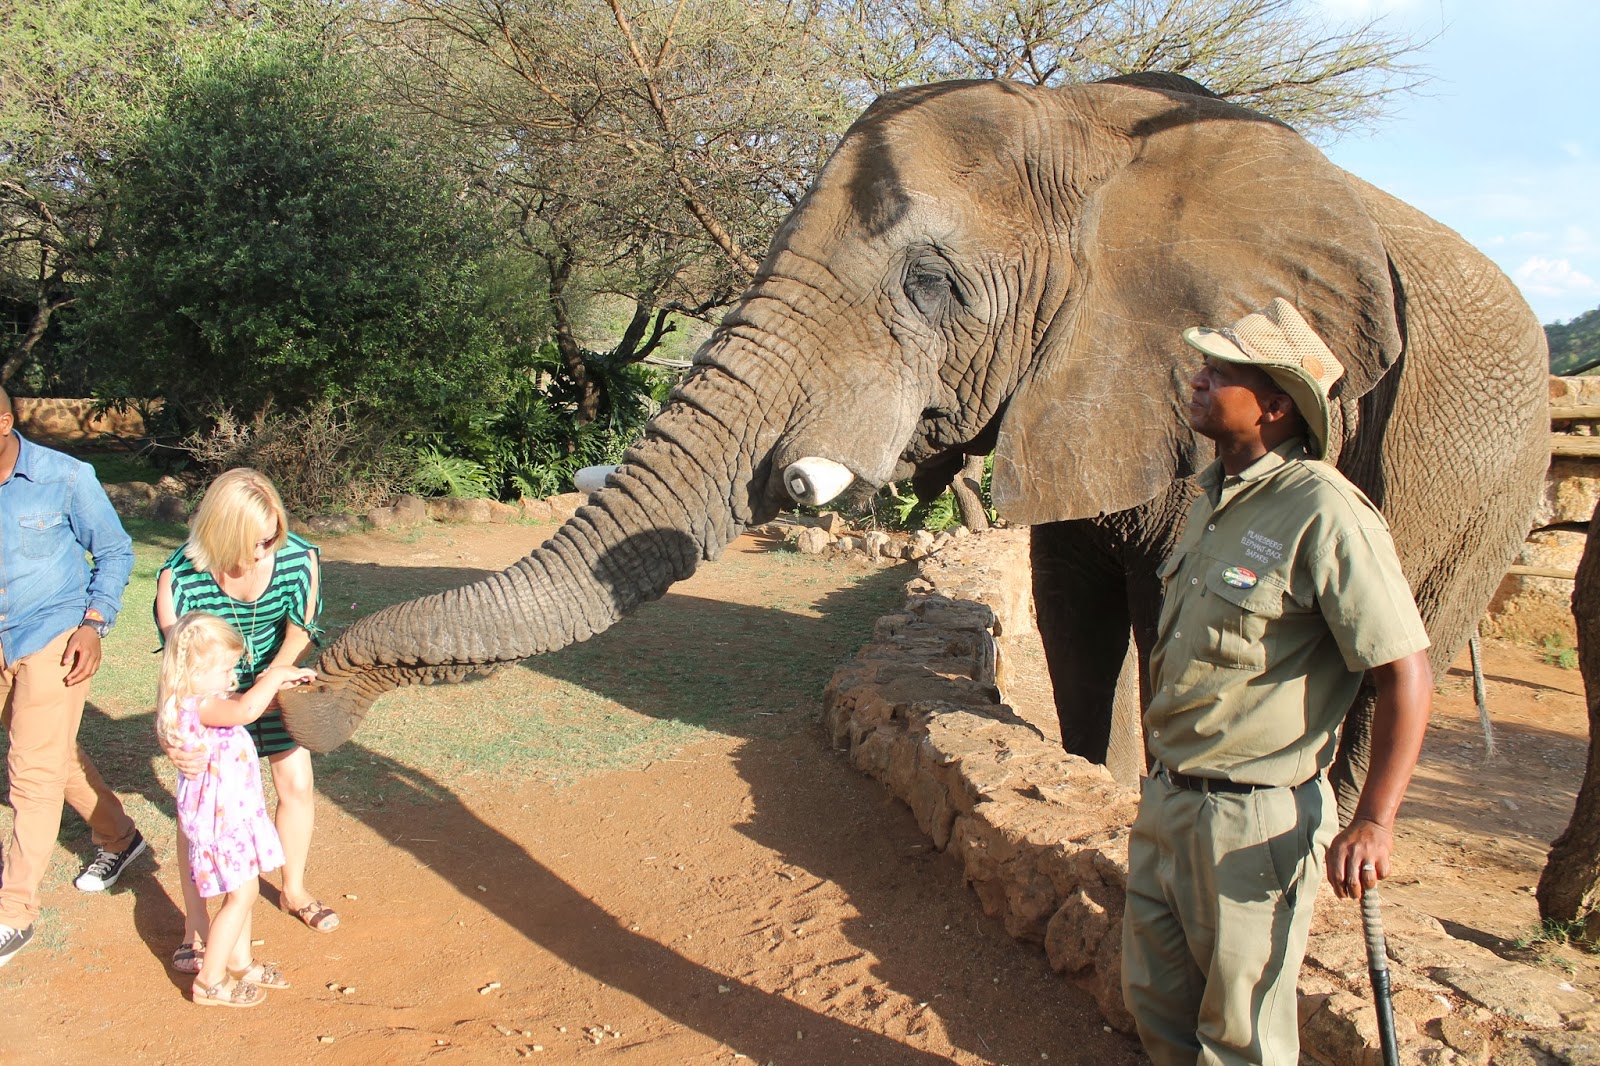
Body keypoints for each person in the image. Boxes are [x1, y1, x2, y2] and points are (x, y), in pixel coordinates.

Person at [1120, 298, 1435, 1066]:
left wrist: (1376, 819)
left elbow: (1403, 671)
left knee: (1240, 1041)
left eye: (1221, 371)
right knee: (1157, 1011)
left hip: (1252, 825)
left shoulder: (1325, 512)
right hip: (1168, 801)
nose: (1198, 380)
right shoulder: (1210, 501)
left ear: (1275, 405)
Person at [155, 468, 335, 977]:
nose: (264, 552)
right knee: (199, 813)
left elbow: (302, 629)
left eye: (270, 538)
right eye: (254, 542)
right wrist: (173, 733)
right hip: (212, 697)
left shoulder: (298, 557)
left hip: (274, 681)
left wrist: (273, 681)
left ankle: (293, 889)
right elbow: (176, 670)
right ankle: (195, 923)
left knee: (295, 781)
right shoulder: (180, 576)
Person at [0, 386, 145, 968]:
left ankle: (14, 914)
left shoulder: (65, 476)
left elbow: (114, 551)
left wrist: (94, 623)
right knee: (51, 755)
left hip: (54, 633)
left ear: (4, 420)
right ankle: (121, 837)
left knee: (29, 771)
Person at [157, 610, 314, 1006]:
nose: (232, 677)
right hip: (221, 826)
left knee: (240, 891)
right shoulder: (200, 705)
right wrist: (276, 676)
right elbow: (245, 711)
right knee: (241, 896)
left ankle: (241, 963)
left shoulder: (192, 698)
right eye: (224, 668)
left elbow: (236, 703)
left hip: (234, 817)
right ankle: (209, 980)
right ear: (193, 669)